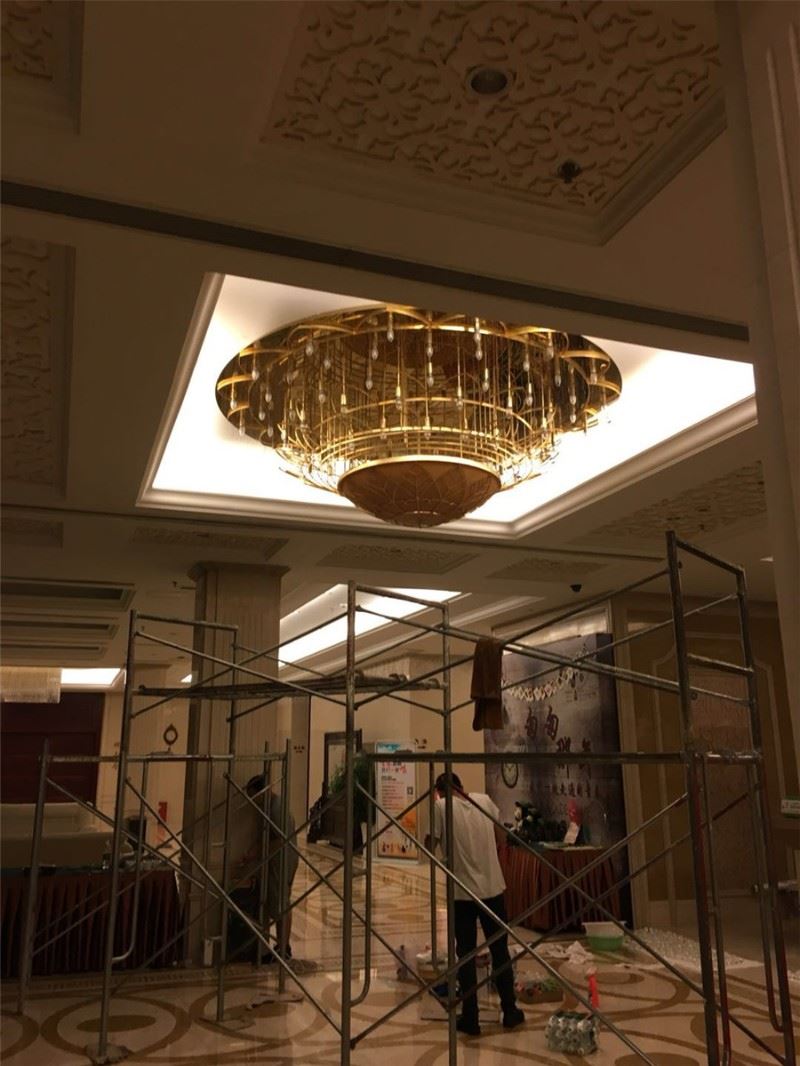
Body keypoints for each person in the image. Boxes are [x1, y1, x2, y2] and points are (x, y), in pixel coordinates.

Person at [431, 771, 524, 1036]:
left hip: (462, 893)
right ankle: (510, 1010)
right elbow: (501, 838)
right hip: (493, 888)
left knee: (466, 955)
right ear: (461, 786)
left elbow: (429, 845)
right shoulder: (483, 800)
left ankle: (471, 1017)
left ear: (439, 792)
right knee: (500, 951)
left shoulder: (440, 807)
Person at [229, 774, 299, 962]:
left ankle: (283, 948)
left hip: (282, 861)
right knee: (277, 903)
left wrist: (256, 853)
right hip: (278, 861)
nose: (253, 801)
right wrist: (254, 852)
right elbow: (267, 837)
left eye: (254, 796)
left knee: (281, 904)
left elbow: (280, 840)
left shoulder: (276, 808)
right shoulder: (270, 807)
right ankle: (281, 946)